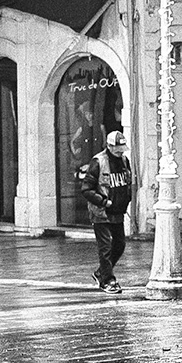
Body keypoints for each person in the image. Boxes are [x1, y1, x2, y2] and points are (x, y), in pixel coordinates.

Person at [81, 125, 133, 295]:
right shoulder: (98, 161)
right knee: (105, 247)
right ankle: (108, 280)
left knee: (120, 245)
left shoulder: (125, 160)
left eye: (122, 149)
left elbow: (127, 181)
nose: (120, 152)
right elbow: (86, 189)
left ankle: (101, 273)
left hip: (118, 211)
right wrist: (104, 201)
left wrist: (126, 199)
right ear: (110, 147)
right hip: (101, 212)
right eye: (117, 149)